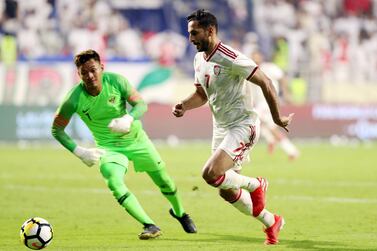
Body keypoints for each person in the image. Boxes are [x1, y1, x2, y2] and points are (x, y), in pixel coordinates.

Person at [173, 9, 293, 245]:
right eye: (189, 33)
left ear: (210, 30)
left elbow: (266, 81)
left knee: (210, 174)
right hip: (221, 127)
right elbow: (201, 94)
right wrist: (185, 106)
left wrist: (277, 117)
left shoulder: (231, 57)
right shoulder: (199, 59)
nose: (191, 39)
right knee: (225, 190)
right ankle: (272, 221)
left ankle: (257, 184)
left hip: (243, 125)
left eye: (194, 33)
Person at [52, 49, 196, 240]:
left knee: (164, 180)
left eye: (93, 70)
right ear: (78, 74)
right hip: (109, 148)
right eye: (84, 72)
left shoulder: (116, 81)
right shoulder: (73, 99)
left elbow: (141, 105)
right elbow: (57, 129)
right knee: (114, 181)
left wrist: (128, 118)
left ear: (101, 68)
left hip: (137, 140)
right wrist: (79, 151)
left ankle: (179, 212)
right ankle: (149, 225)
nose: (89, 76)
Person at [250, 50, 300, 160]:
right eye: (253, 57)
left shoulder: (270, 67)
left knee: (252, 119)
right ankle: (286, 148)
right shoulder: (251, 71)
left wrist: (286, 93)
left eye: (257, 57)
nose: (255, 59)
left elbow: (282, 78)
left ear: (261, 57)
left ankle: (287, 148)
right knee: (264, 125)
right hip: (260, 104)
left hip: (268, 102)